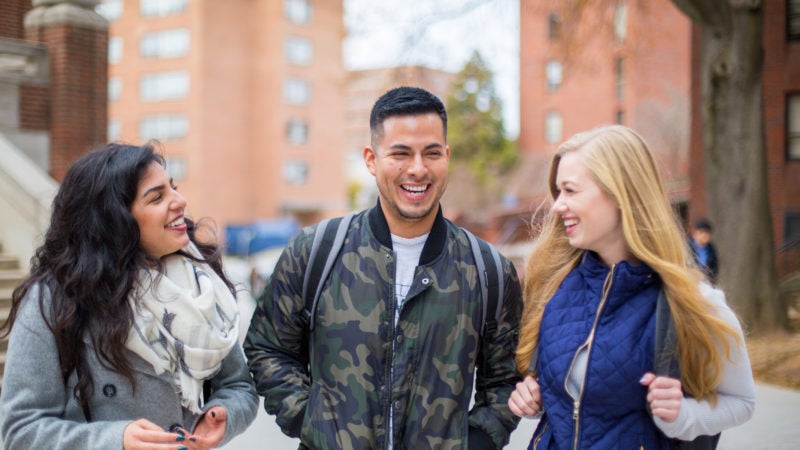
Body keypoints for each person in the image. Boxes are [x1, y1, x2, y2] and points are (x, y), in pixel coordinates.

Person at [244, 86, 523, 449]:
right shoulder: (315, 251)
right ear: (372, 159)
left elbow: (506, 382)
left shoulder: (488, 271)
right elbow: (267, 348)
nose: (418, 169)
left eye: (432, 153)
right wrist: (312, 422)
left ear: (447, 157)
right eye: (401, 153)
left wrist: (476, 442)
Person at [507, 125, 755, 449]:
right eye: (558, 192)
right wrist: (532, 396)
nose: (557, 206)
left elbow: (742, 402)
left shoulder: (693, 303)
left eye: (571, 190)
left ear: (619, 194)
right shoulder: (552, 287)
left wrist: (683, 415)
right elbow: (564, 399)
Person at [0, 143, 258, 449]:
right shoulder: (54, 301)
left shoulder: (200, 287)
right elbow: (20, 429)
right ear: (115, 219)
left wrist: (225, 415)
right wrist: (114, 440)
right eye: (157, 196)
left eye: (173, 188)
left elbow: (238, 385)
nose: (180, 201)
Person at [690, 218, 719, 284]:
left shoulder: (712, 250)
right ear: (695, 233)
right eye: (701, 232)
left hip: (707, 285)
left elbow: (714, 270)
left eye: (707, 233)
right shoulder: (688, 248)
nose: (704, 235)